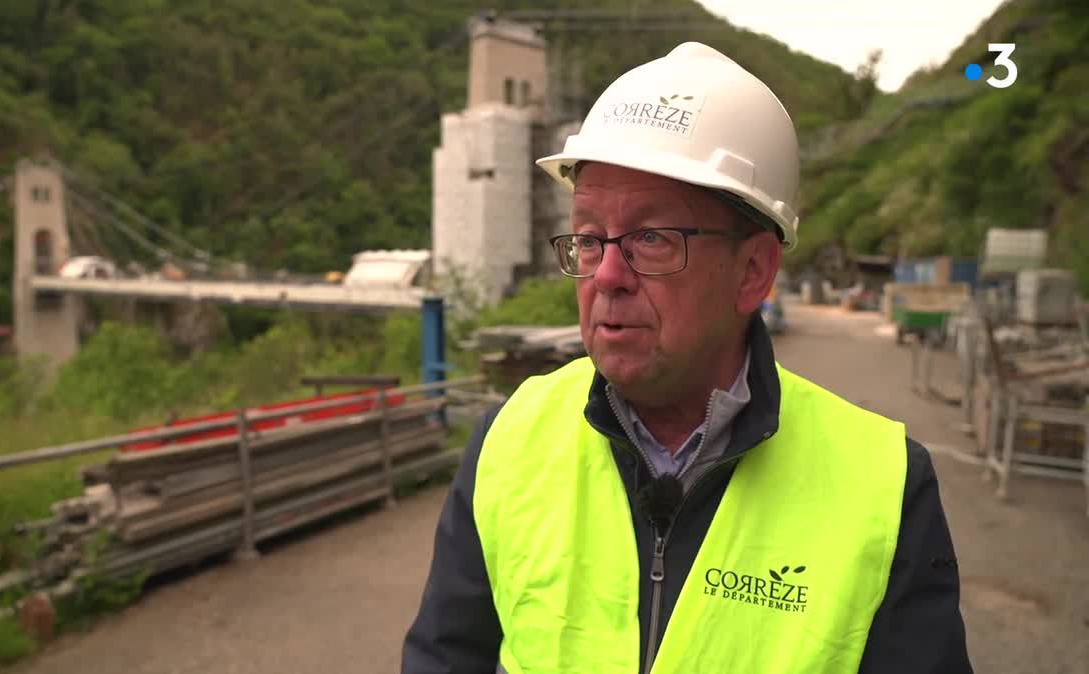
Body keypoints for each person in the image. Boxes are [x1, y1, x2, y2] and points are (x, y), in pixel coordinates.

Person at [402, 42, 971, 674]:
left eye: (651, 237)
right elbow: (444, 657)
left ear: (752, 271)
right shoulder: (509, 439)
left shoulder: (885, 486)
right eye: (589, 240)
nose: (607, 275)